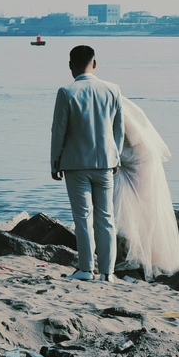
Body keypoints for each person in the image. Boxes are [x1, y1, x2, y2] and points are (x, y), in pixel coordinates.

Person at [51, 45, 124, 282]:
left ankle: (85, 269)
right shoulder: (113, 89)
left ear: (70, 65)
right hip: (105, 163)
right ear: (95, 63)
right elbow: (119, 129)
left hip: (76, 164)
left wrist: (55, 162)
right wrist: (116, 157)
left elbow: (58, 131)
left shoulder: (66, 92)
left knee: (83, 218)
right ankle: (107, 273)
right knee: (106, 218)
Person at [113, 97, 179, 280]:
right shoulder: (123, 110)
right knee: (137, 208)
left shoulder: (120, 114)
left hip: (138, 163)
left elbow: (134, 141)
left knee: (135, 209)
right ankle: (136, 254)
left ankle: (139, 256)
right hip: (136, 163)